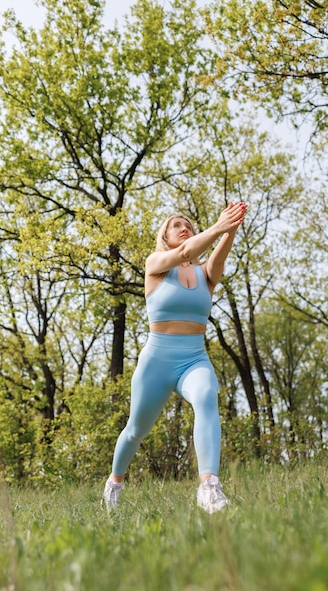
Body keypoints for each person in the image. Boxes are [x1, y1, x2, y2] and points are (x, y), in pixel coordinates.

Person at [102, 201, 248, 513]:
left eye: (189, 226)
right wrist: (219, 226)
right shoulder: (156, 263)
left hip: (194, 357)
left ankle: (209, 487)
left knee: (208, 396)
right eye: (177, 225)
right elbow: (183, 253)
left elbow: (217, 253)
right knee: (135, 431)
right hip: (157, 360)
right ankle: (114, 483)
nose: (185, 229)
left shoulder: (204, 273)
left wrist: (230, 228)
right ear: (166, 237)